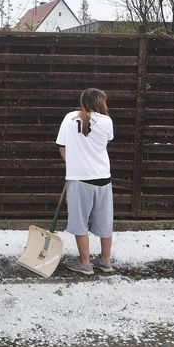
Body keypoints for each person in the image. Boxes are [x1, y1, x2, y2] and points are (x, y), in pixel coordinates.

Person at [55, 88, 115, 275]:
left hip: (79, 178)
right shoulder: (107, 121)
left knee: (80, 222)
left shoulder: (69, 117)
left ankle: (85, 263)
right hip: (103, 177)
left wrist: (73, 164)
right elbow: (105, 142)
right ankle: (105, 261)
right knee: (105, 221)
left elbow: (62, 147)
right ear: (100, 102)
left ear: (83, 101)